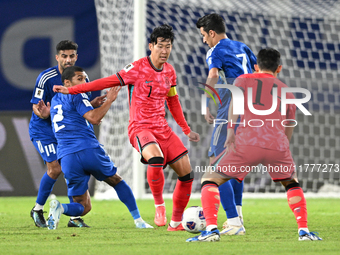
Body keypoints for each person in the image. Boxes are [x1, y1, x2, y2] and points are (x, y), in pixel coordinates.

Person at [53, 24, 200, 231]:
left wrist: (185, 129)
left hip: (163, 128)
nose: (165, 51)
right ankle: (159, 206)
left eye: (168, 46)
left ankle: (175, 224)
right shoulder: (137, 68)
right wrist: (73, 90)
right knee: (155, 159)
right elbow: (107, 81)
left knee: (187, 175)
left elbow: (173, 102)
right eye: (161, 46)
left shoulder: (170, 72)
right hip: (140, 127)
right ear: (151, 46)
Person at [186, 48, 322, 242]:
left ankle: (211, 230)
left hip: (246, 143)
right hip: (276, 145)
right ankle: (304, 231)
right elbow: (289, 125)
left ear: (256, 66)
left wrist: (231, 131)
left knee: (209, 179)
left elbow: (235, 105)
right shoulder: (287, 91)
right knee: (292, 182)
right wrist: (283, 147)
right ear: (279, 68)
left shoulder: (243, 80)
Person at [44, 66, 153, 230]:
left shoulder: (55, 100)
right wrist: (109, 100)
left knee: (83, 206)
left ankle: (61, 207)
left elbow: (72, 115)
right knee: (116, 181)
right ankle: (139, 221)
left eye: (85, 78)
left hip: (66, 157)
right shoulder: (77, 94)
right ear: (67, 82)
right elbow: (94, 118)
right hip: (88, 149)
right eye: (79, 79)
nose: (84, 82)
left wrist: (91, 104)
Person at [29, 40, 105, 228]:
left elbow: (81, 105)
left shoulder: (82, 77)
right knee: (55, 168)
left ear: (76, 57)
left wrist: (92, 104)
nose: (68, 59)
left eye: (71, 56)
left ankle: (74, 217)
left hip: (67, 132)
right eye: (64, 56)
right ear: (57, 57)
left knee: (76, 169)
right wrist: (44, 113)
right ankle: (38, 209)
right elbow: (35, 105)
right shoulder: (46, 77)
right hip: (44, 130)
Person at [196, 13, 257, 235]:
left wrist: (205, 103)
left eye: (204, 35)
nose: (204, 40)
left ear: (212, 33)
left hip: (230, 108)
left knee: (216, 164)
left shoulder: (215, 50)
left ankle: (233, 221)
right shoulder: (244, 47)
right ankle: (238, 215)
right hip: (252, 109)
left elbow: (212, 75)